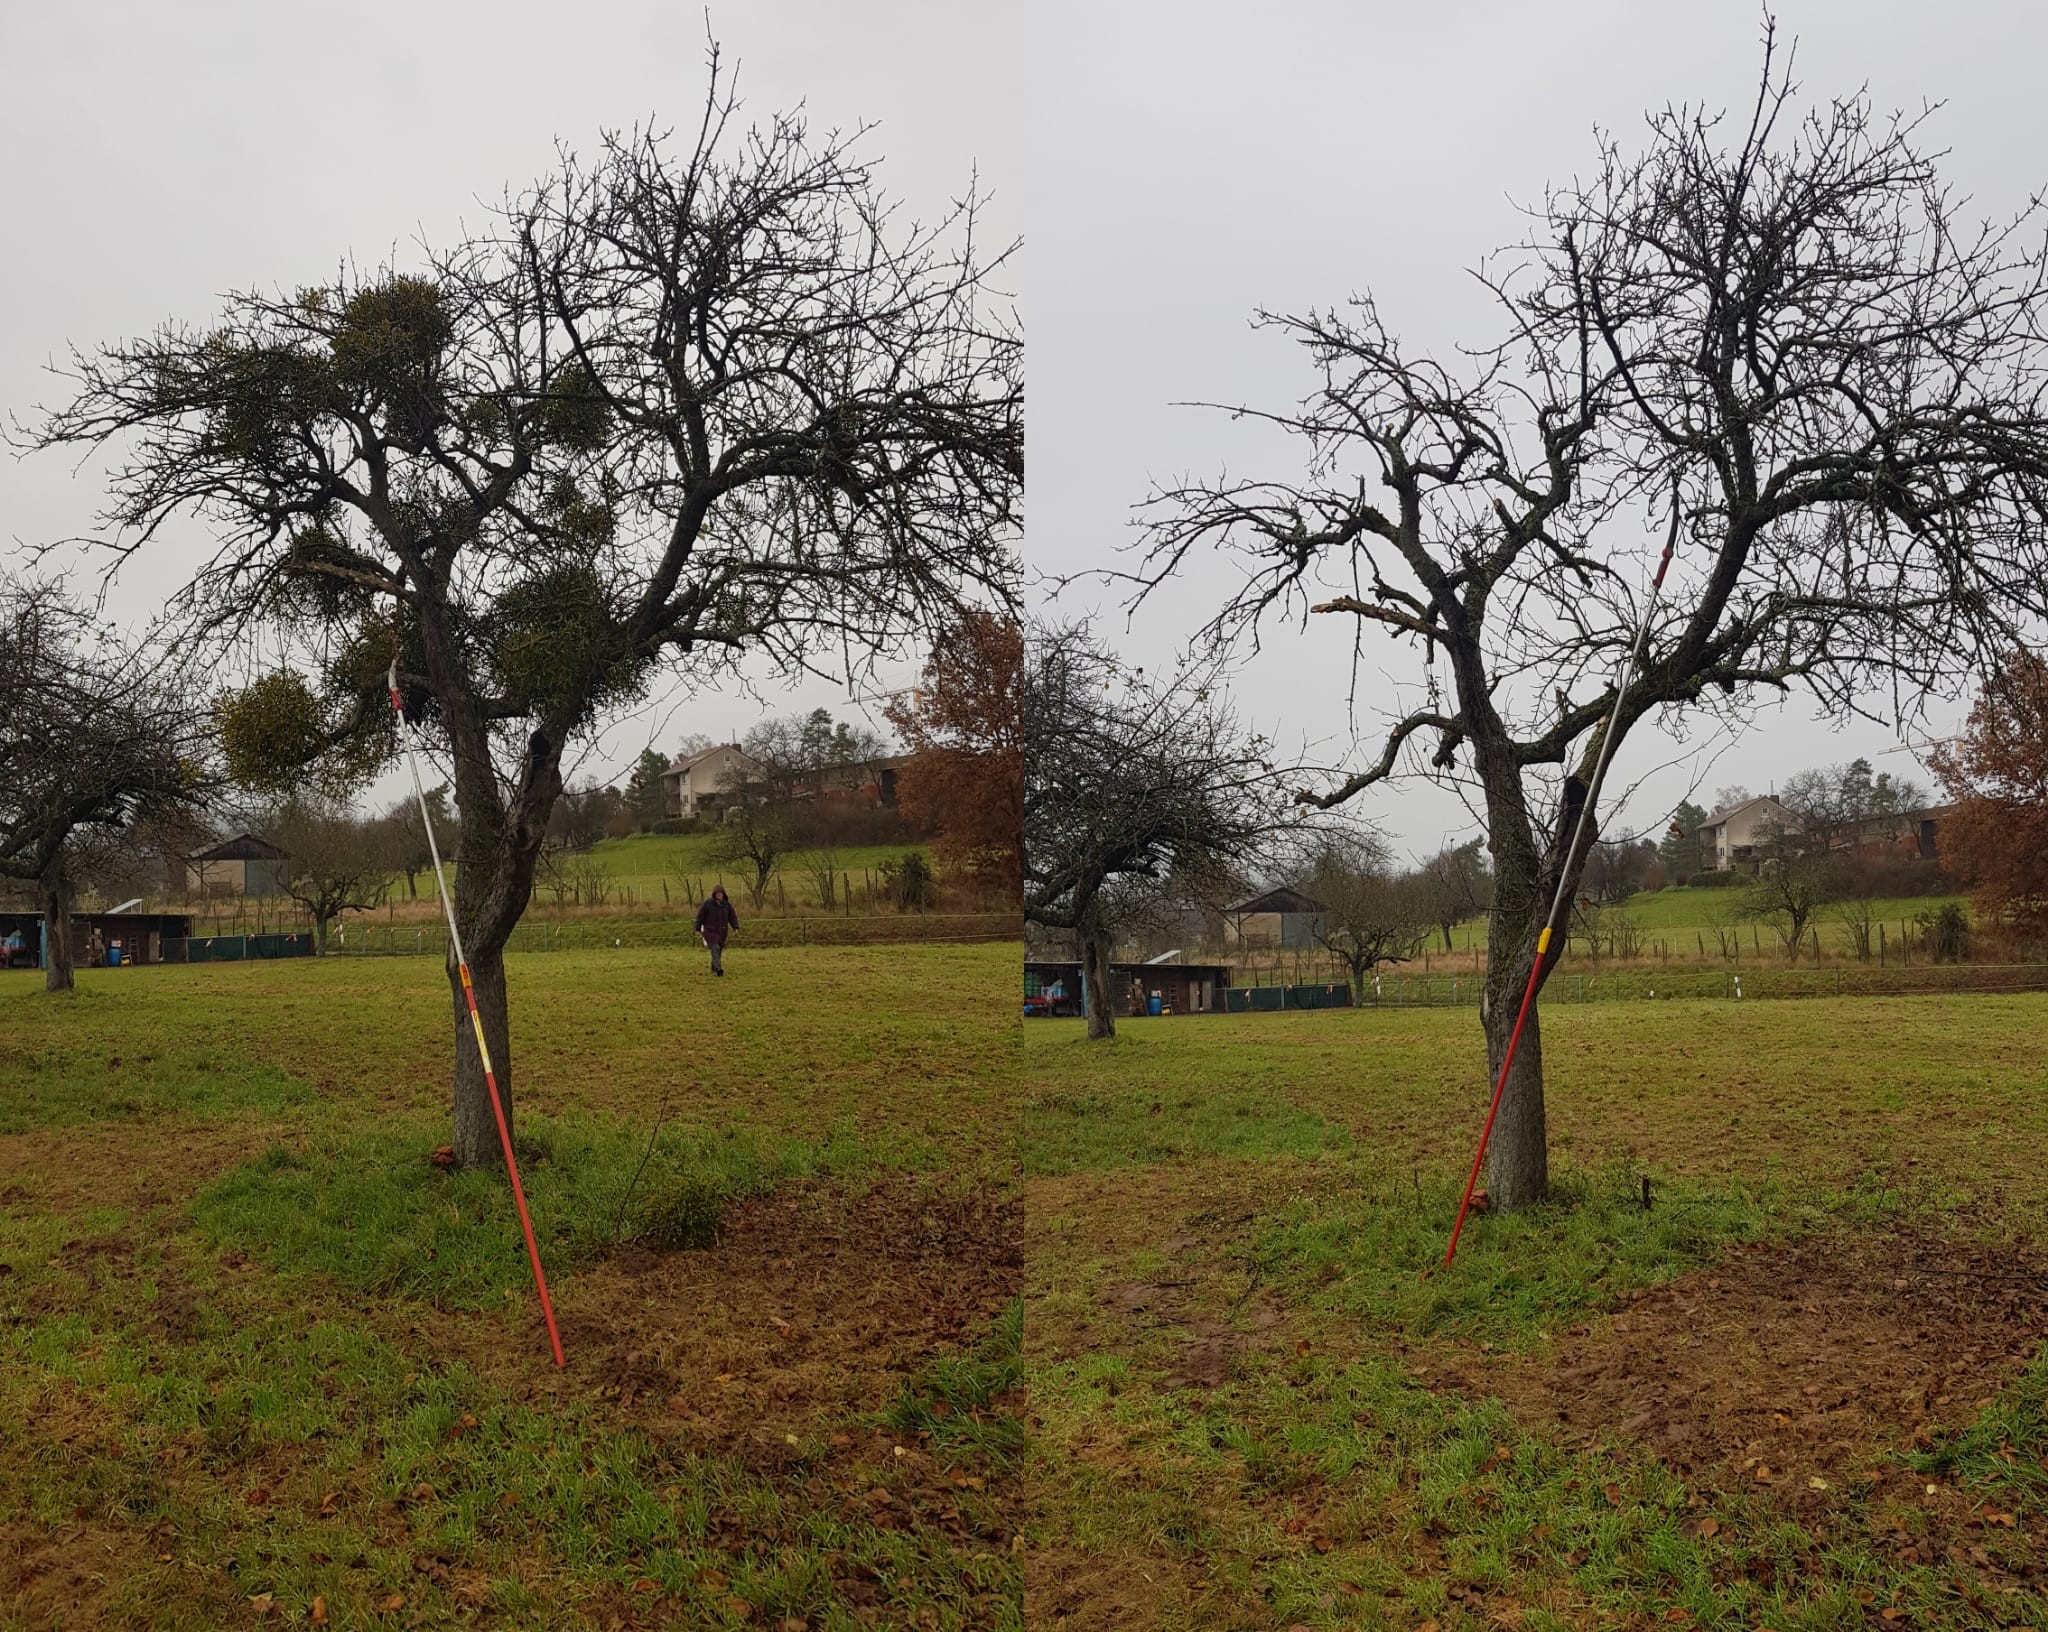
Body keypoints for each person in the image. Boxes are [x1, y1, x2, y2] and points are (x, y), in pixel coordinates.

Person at [693, 884, 739, 976]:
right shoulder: (708, 904)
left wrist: (736, 927)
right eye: (717, 893)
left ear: (723, 894)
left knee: (718, 950)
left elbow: (732, 917)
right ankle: (718, 969)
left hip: (722, 932)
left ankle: (714, 968)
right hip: (710, 931)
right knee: (715, 948)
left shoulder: (727, 905)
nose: (719, 895)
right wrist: (697, 928)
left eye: (721, 893)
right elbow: (700, 916)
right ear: (714, 894)